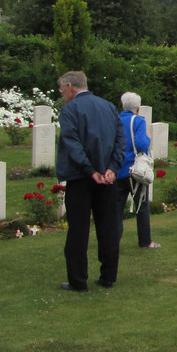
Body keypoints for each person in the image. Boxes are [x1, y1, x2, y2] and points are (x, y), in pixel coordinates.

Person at [56, 71, 126, 291]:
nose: (61, 93)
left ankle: (78, 280)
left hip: (81, 177)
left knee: (78, 229)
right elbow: (120, 140)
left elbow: (71, 142)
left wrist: (89, 169)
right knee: (108, 226)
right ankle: (108, 276)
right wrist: (112, 168)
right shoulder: (109, 107)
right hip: (107, 177)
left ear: (69, 86)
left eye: (61, 89)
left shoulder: (69, 110)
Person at [114, 92, 160, 250]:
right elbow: (141, 143)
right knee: (141, 205)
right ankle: (145, 242)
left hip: (117, 169)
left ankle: (113, 242)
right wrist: (148, 137)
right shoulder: (138, 121)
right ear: (138, 109)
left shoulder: (115, 120)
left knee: (117, 208)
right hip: (134, 170)